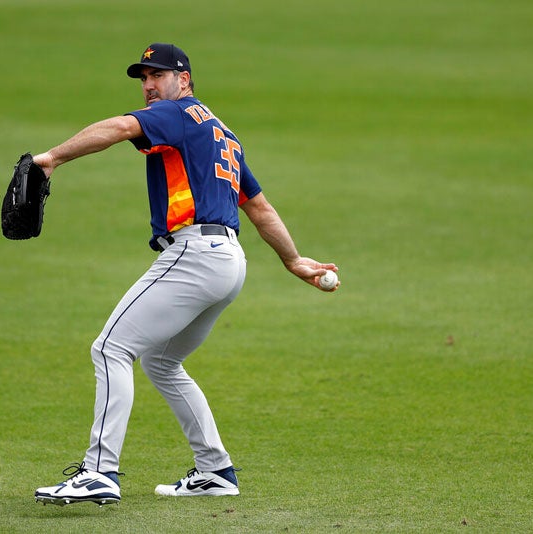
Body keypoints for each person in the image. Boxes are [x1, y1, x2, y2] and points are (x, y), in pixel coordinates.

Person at [32, 43, 339, 506]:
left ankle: (99, 471)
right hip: (229, 262)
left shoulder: (177, 114)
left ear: (185, 79)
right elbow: (257, 205)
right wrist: (293, 260)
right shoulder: (221, 133)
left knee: (111, 348)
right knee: (161, 361)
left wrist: (51, 158)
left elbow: (119, 127)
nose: (149, 86)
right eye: (144, 78)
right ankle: (216, 470)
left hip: (195, 255)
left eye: (158, 75)